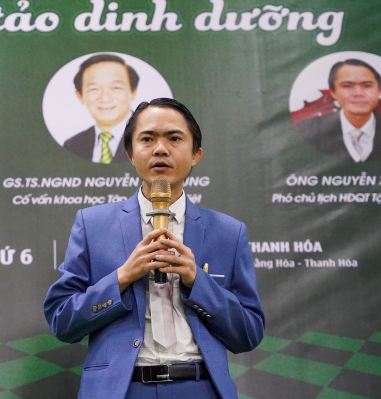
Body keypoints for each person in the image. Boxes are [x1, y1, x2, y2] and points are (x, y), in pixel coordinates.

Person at [45, 98, 264, 399]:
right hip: (121, 390)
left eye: (174, 138)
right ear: (131, 154)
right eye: (147, 139)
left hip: (199, 388)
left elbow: (248, 334)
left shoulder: (228, 232)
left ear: (196, 154)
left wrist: (198, 282)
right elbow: (62, 321)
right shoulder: (92, 225)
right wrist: (122, 277)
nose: (160, 149)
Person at [297, 59, 381, 162]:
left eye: (367, 86)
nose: (358, 93)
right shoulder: (310, 129)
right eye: (347, 86)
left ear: (379, 91)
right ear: (333, 93)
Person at [63, 54, 140, 164]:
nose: (105, 98)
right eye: (94, 89)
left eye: (116, 87)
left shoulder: (152, 139)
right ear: (80, 96)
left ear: (133, 92)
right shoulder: (73, 145)